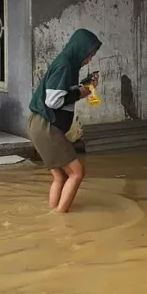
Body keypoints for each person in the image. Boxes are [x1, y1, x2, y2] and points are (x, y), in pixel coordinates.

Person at [27, 29, 102, 213]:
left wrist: (81, 87)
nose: (90, 59)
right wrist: (80, 92)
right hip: (47, 126)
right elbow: (52, 101)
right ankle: (60, 219)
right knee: (77, 173)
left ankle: (53, 215)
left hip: (39, 124)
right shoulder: (65, 65)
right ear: (80, 49)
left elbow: (60, 92)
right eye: (89, 54)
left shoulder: (67, 64)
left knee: (60, 176)